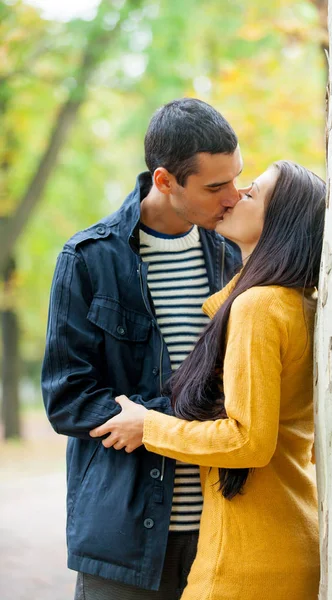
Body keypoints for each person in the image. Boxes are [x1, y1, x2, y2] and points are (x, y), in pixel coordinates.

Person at [90, 160, 326, 600]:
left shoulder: (259, 307)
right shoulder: (295, 302)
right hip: (283, 539)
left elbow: (248, 441)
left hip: (248, 562)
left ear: (281, 222)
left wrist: (148, 427)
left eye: (252, 192)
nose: (234, 196)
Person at [41, 98, 243, 600]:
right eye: (216, 187)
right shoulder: (88, 259)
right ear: (165, 181)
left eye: (237, 178)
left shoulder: (236, 255)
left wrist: (151, 420)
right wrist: (171, 417)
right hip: (124, 540)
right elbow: (67, 397)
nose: (234, 197)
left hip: (225, 532)